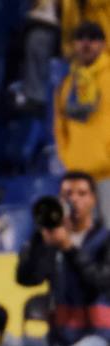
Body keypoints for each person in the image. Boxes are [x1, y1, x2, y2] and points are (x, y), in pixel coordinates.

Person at [0, 171, 110, 346]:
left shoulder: (104, 239)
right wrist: (40, 238)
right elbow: (25, 278)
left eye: (81, 193)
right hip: (61, 339)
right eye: (67, 194)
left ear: (94, 200)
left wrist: (69, 248)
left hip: (101, 340)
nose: (74, 200)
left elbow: (99, 282)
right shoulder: (51, 240)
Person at [55, 21, 110, 226]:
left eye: (93, 39)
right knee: (84, 239)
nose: (86, 44)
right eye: (80, 39)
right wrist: (67, 158)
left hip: (108, 173)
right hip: (78, 175)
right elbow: (59, 126)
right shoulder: (68, 83)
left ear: (104, 44)